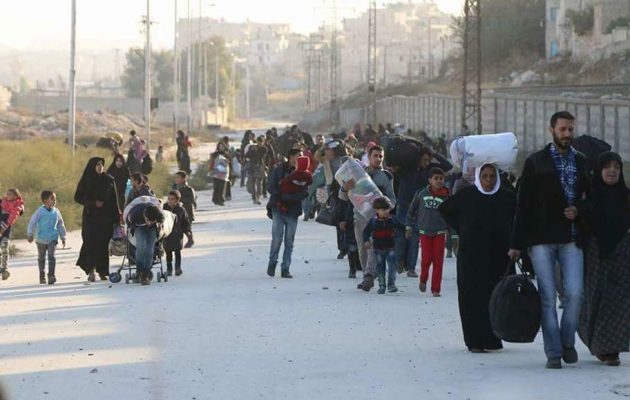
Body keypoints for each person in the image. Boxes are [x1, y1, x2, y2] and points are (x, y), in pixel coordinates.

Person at [509, 111, 591, 369]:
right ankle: (554, 352)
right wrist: (516, 243)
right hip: (541, 239)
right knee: (546, 296)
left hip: (571, 237)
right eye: (563, 129)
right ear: (552, 130)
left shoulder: (581, 161)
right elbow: (523, 205)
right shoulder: (536, 162)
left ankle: (567, 341)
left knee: (575, 294)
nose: (567, 134)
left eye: (570, 129)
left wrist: (579, 211)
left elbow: (590, 199)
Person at [439, 163, 516, 353]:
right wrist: (462, 228)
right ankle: (474, 340)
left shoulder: (506, 197)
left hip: (497, 257)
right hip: (471, 256)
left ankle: (492, 338)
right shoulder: (467, 196)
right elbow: (445, 210)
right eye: (485, 176)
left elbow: (518, 219)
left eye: (492, 176)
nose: (489, 180)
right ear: (478, 178)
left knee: (494, 296)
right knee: (472, 296)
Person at [578, 152, 630, 367]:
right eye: (607, 167)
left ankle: (611, 349)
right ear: (599, 171)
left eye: (616, 167)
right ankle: (599, 345)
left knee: (619, 302)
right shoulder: (589, 197)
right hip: (595, 254)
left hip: (622, 255)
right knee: (595, 299)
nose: (612, 171)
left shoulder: (626, 196)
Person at [340, 145, 396, 292]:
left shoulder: (386, 176)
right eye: (375, 156)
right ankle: (367, 275)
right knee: (362, 249)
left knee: (372, 248)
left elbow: (392, 199)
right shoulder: (358, 173)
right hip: (359, 217)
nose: (378, 159)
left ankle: (368, 277)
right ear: (369, 157)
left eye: (381, 156)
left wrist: (385, 207)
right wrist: (345, 188)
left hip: (377, 220)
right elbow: (343, 197)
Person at [395, 146, 452, 278]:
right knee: (401, 235)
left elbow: (447, 166)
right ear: (418, 158)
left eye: (428, 160)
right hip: (404, 204)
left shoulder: (429, 171)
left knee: (415, 237)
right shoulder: (407, 167)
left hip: (418, 207)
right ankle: (399, 260)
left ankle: (411, 268)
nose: (427, 162)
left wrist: (435, 154)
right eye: (424, 160)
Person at [75, 157, 121, 282]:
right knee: (90, 243)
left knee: (103, 245)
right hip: (90, 217)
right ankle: (91, 271)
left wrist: (118, 217)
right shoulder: (86, 180)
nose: (100, 166)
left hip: (105, 218)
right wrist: (93, 203)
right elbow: (78, 197)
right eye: (97, 164)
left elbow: (114, 200)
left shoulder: (109, 180)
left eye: (102, 164)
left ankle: (103, 271)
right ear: (92, 166)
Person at [406, 167, 450, 297]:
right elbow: (411, 211)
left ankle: (436, 289)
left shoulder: (447, 196)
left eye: (441, 178)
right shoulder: (421, 194)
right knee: (426, 260)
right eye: (436, 178)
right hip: (425, 232)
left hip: (440, 233)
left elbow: (452, 215)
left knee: (438, 262)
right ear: (430, 180)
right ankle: (423, 278)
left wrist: (453, 234)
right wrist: (408, 226)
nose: (439, 181)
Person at [266, 148, 309, 278]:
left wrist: (292, 197)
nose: (301, 158)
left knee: (289, 241)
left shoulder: (303, 174)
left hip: (293, 210)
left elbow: (305, 191)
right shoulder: (279, 170)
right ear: (291, 157)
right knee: (277, 239)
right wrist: (281, 196)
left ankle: (285, 268)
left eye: (302, 156)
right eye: (298, 156)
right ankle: (272, 262)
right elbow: (270, 186)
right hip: (278, 208)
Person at [363, 197, 405, 294]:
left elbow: (401, 226)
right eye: (383, 209)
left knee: (392, 267)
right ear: (377, 210)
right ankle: (382, 286)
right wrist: (366, 241)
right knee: (380, 268)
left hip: (391, 248)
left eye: (388, 209)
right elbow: (366, 232)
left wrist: (407, 229)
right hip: (378, 249)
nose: (386, 211)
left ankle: (391, 285)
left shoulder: (393, 219)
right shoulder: (373, 221)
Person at [26, 191, 67, 285]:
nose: (54, 200)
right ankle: (42, 276)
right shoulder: (40, 211)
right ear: (45, 200)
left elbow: (61, 224)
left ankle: (51, 276)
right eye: (52, 198)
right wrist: (30, 234)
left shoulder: (56, 211)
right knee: (41, 258)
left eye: (54, 198)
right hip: (41, 239)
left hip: (53, 237)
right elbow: (32, 222)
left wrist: (63, 236)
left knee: (52, 256)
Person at [127, 203, 164, 286]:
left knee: (150, 250)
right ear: (145, 215)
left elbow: (162, 219)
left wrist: (158, 224)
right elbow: (128, 221)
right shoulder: (135, 213)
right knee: (141, 247)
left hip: (152, 229)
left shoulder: (158, 213)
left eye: (152, 221)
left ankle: (146, 273)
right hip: (139, 227)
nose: (149, 223)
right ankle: (139, 270)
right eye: (148, 220)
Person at [163, 190, 192, 277]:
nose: (170, 201)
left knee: (177, 252)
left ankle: (178, 268)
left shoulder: (181, 210)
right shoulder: (164, 208)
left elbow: (186, 222)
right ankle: (169, 269)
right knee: (168, 253)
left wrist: (188, 232)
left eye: (172, 199)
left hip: (177, 234)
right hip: (167, 234)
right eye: (168, 199)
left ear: (177, 200)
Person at [0, 188, 25, 280]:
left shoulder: (17, 205)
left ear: (16, 196)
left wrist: (4, 226)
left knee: (4, 248)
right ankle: (1, 269)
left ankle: (5, 269)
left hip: (6, 230)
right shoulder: (3, 201)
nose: (7, 196)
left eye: (10, 194)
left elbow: (13, 216)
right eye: (7, 194)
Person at [172, 171, 196, 247]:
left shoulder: (189, 189)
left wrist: (180, 200)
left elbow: (192, 200)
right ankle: (179, 243)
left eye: (178, 177)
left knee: (187, 228)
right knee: (178, 228)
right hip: (177, 211)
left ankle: (190, 240)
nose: (176, 179)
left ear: (184, 178)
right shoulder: (175, 188)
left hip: (187, 211)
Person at [246, 137, 269, 205]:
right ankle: (254, 198)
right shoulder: (252, 148)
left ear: (263, 142)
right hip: (252, 167)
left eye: (261, 142)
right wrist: (251, 150)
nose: (259, 143)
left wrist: (256, 150)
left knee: (259, 184)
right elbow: (247, 155)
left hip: (260, 167)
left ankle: (258, 198)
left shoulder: (264, 149)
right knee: (252, 184)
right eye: (258, 142)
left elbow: (261, 156)